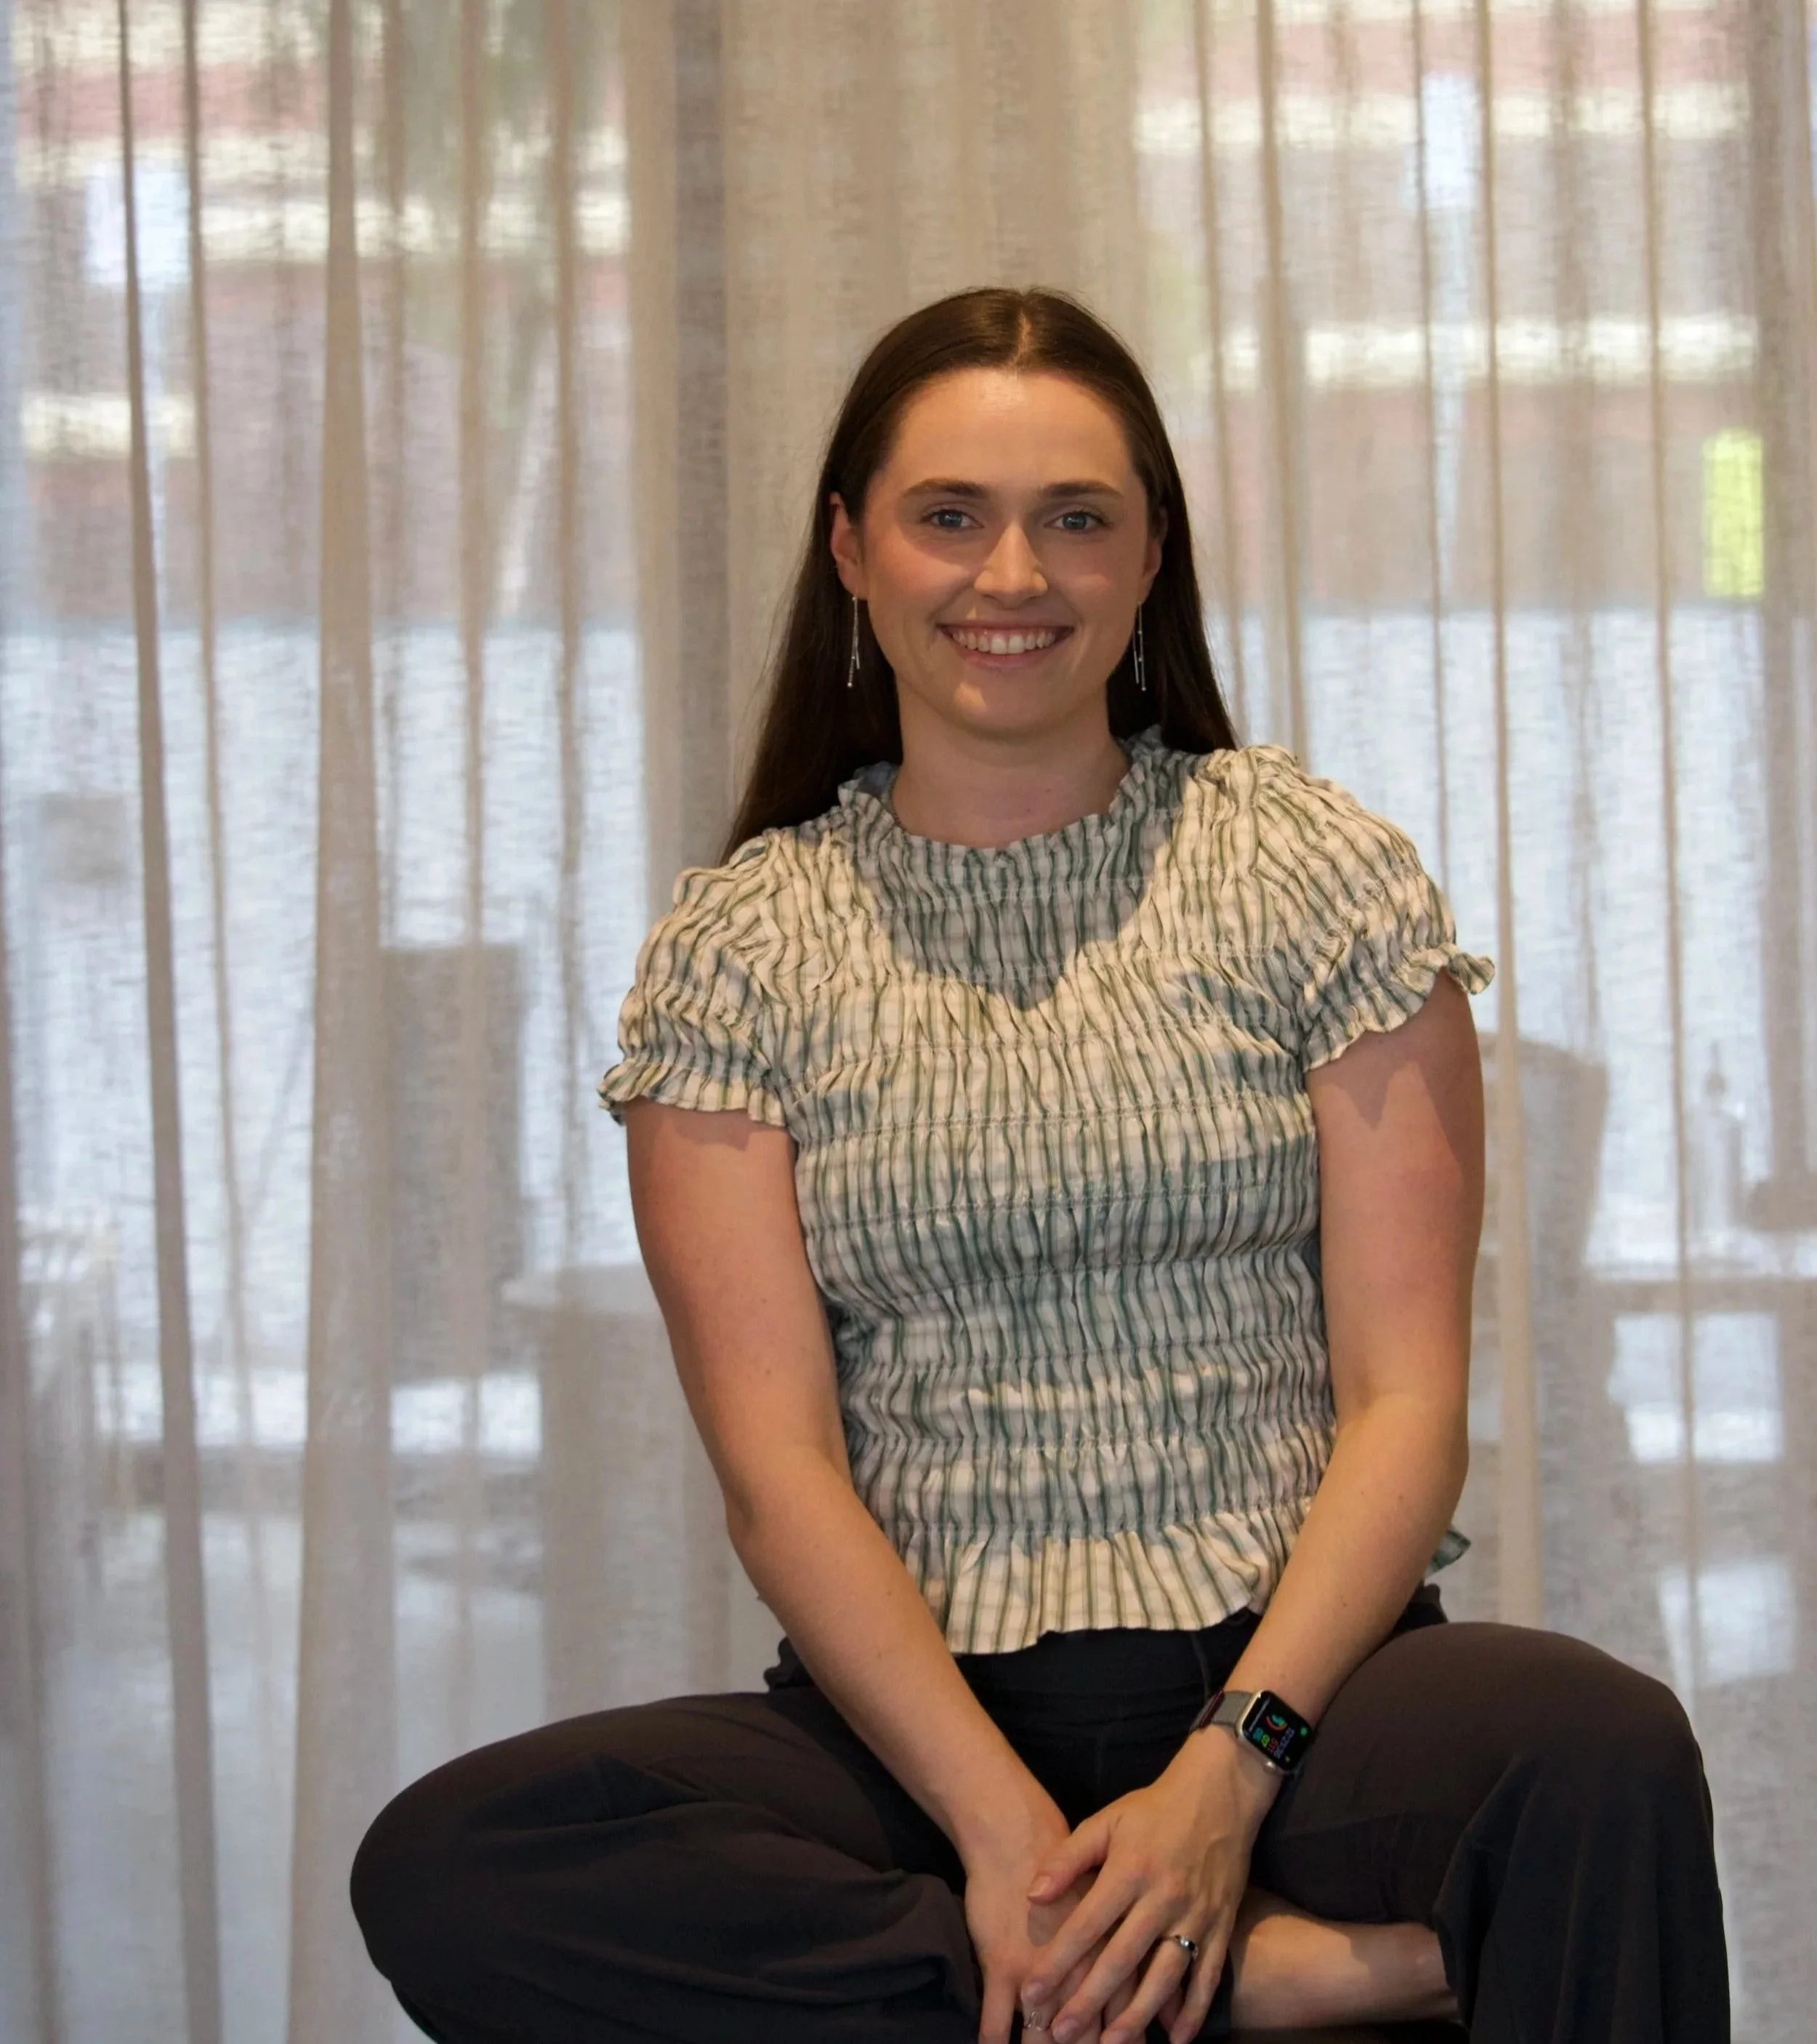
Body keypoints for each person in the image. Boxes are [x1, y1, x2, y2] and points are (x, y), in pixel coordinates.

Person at [350, 286, 1728, 2044]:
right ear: (849, 551)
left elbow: (1404, 1405)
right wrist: (1001, 1834)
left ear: (1149, 554)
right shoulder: (738, 949)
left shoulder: (1311, 873)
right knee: (454, 1861)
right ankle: (1248, 1978)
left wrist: (1226, 1772)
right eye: (949, 515)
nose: (1013, 573)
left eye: (1075, 518)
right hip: (915, 1731)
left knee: (1599, 1749)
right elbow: (779, 1477)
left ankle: (1152, 1953)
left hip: (1294, 1697)